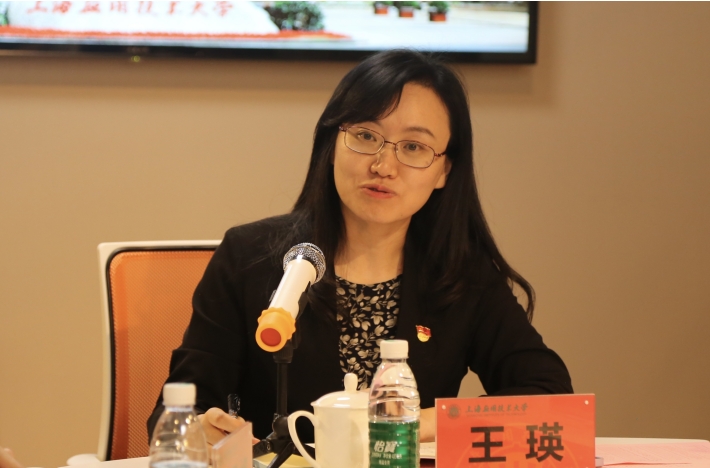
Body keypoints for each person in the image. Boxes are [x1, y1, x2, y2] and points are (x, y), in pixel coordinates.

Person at [148, 50, 573, 447]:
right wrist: (199, 431)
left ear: (444, 170)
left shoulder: (461, 275)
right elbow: (176, 413)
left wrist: (410, 423)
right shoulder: (249, 256)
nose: (383, 166)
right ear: (331, 145)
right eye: (366, 136)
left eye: (413, 147)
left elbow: (550, 395)